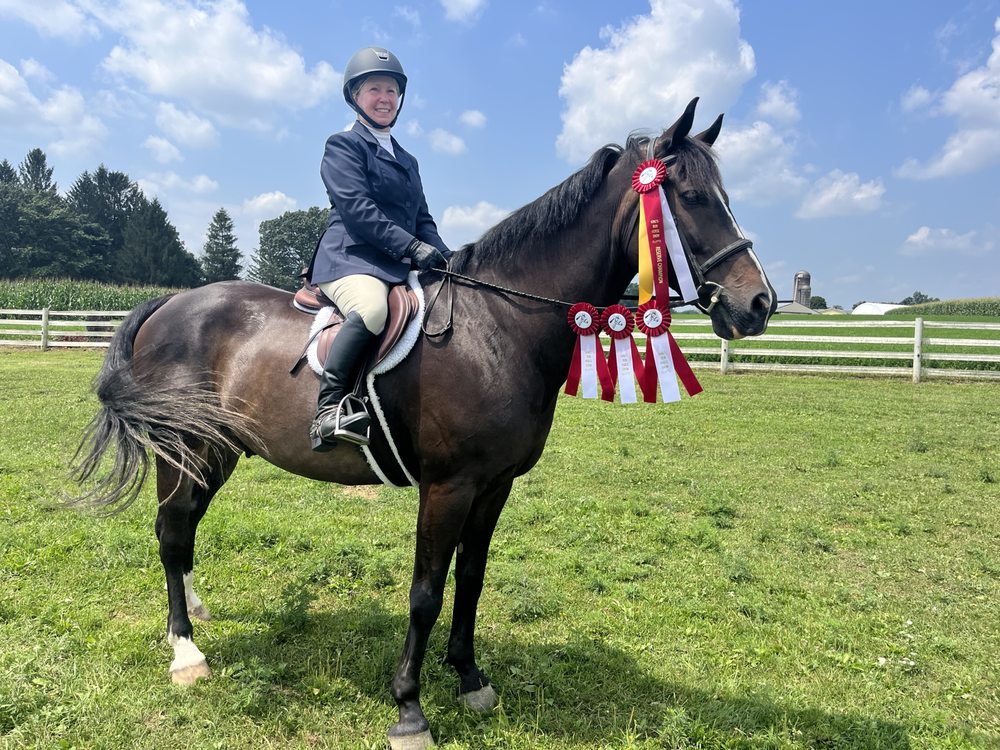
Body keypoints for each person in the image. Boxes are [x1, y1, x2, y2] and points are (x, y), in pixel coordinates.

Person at [307, 46, 451, 452]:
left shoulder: (407, 160)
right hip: (350, 257)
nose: (385, 98)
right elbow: (358, 211)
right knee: (372, 309)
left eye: (391, 91)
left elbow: (422, 218)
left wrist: (447, 257)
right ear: (355, 96)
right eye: (375, 89)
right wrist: (412, 248)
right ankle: (328, 410)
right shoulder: (343, 145)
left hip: (395, 260)